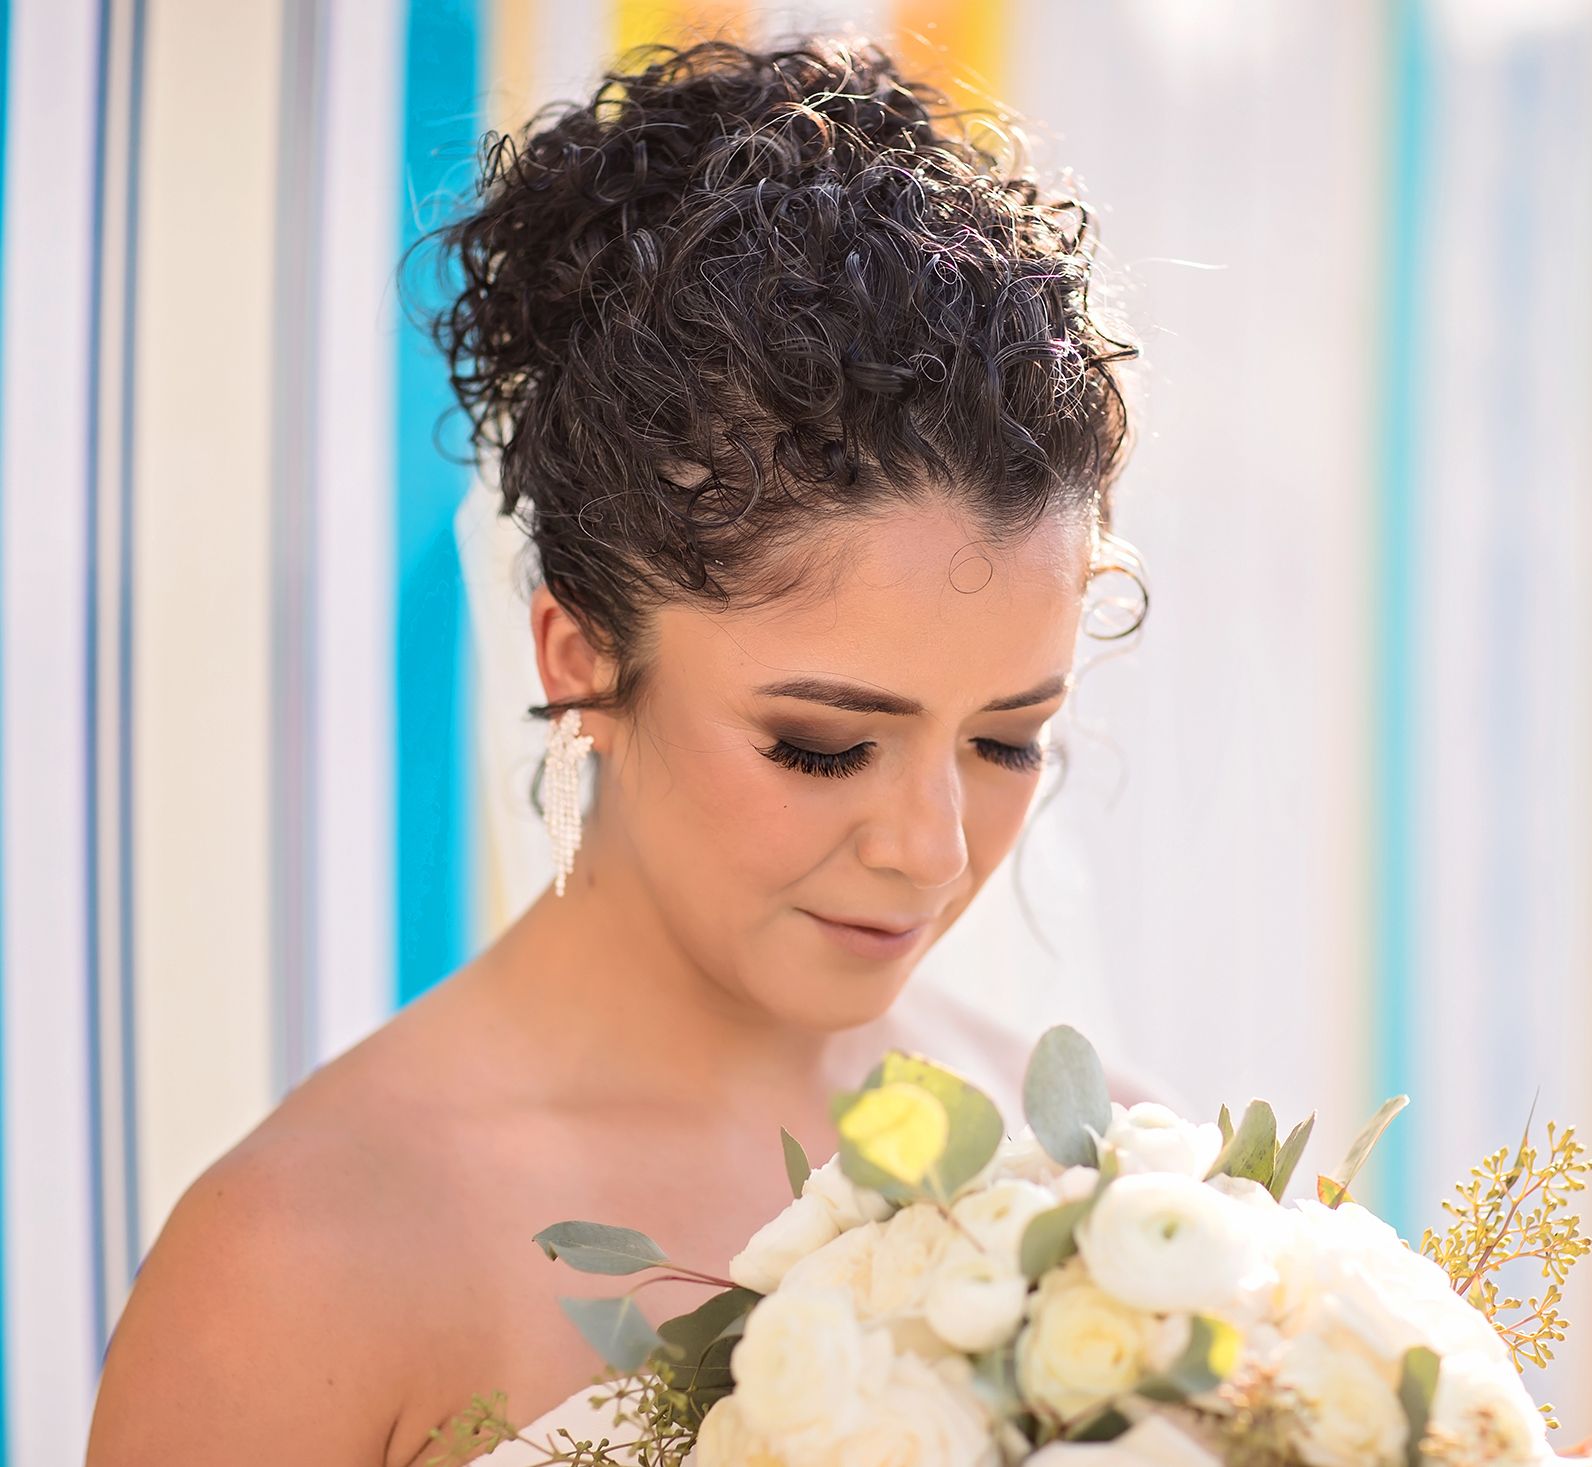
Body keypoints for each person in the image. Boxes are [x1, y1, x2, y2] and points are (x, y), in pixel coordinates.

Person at [84, 32, 1156, 1467]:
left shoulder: (1112, 1186)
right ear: (579, 655)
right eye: (825, 746)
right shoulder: (303, 1264)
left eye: (1009, 742)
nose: (933, 848)